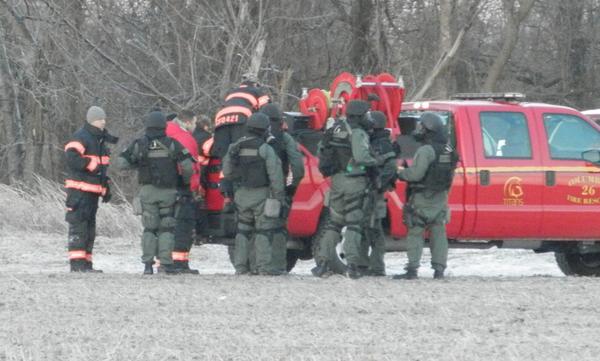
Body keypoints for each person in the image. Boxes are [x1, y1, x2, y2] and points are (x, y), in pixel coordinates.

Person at [116, 111, 195, 275]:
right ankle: (165, 264)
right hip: (168, 192)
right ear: (164, 126)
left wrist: (138, 165)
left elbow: (121, 163)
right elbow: (188, 166)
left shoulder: (139, 144)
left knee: (149, 229)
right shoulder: (172, 144)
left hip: (147, 191)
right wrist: (184, 181)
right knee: (166, 228)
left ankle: (147, 265)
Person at [312, 100, 379, 279]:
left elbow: (321, 150)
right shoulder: (357, 132)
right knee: (354, 224)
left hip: (337, 181)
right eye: (367, 114)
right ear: (359, 115)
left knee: (334, 223)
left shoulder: (335, 129)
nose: (369, 118)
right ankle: (352, 265)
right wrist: (375, 160)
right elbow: (361, 156)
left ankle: (323, 263)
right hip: (354, 182)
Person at [393, 112, 458, 280]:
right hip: (441, 197)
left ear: (428, 129)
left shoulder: (426, 150)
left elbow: (415, 174)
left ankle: (412, 270)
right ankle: (439, 270)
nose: (418, 129)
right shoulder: (449, 149)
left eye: (421, 126)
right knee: (439, 233)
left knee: (415, 231)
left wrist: (399, 173)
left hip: (423, 197)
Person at [222, 112, 285, 275]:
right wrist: (279, 197)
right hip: (261, 194)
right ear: (264, 129)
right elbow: (276, 176)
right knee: (263, 231)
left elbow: (227, 172)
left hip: (241, 194)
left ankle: (241, 267)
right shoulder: (265, 149)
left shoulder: (235, 147)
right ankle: (263, 267)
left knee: (242, 231)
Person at [64, 105, 117, 272]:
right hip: (79, 192)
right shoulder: (81, 136)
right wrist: (90, 164)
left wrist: (104, 186)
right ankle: (77, 264)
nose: (103, 122)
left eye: (104, 119)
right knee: (79, 226)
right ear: (92, 120)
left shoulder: (99, 140)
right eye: (100, 119)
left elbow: (102, 170)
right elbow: (71, 156)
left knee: (89, 229)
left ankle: (87, 263)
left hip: (92, 192)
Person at [211, 73, 271, 205]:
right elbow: (267, 110)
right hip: (242, 118)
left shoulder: (232, 92)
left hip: (221, 120)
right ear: (255, 84)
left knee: (226, 157)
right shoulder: (257, 91)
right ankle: (240, 189)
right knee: (242, 153)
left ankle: (227, 194)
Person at [260, 103, 305, 274]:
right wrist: (293, 187)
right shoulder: (285, 138)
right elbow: (298, 166)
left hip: (250, 189)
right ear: (280, 121)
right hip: (276, 190)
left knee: (250, 229)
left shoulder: (248, 137)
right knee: (277, 228)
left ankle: (250, 266)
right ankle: (277, 266)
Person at [359, 111, 397, 276]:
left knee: (375, 230)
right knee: (365, 228)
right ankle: (363, 264)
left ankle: (376, 267)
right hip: (369, 190)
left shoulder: (382, 144)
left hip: (375, 192)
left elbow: (390, 167)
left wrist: (378, 184)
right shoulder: (373, 141)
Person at [165, 109, 202, 274]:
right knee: (183, 227)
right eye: (194, 123)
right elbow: (191, 168)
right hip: (182, 189)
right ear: (187, 122)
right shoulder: (185, 138)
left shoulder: (162, 134)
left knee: (164, 227)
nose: (195, 126)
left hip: (162, 189)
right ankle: (180, 263)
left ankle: (164, 261)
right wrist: (194, 188)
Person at [192, 114, 213, 244]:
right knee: (201, 206)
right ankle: (201, 234)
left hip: (191, 174)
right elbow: (211, 153)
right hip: (202, 174)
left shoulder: (190, 136)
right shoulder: (207, 138)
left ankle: (194, 231)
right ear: (206, 126)